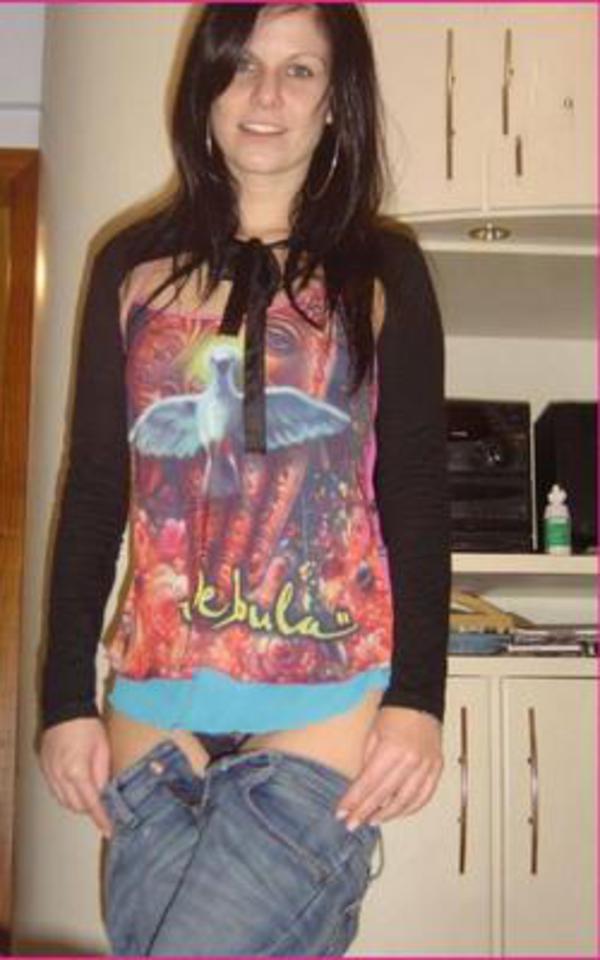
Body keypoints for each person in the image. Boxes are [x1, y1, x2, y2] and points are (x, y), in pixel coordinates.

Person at [39, 3, 451, 956]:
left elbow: (415, 494)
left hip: (326, 698)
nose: (266, 95)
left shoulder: (384, 268)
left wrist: (419, 700)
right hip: (152, 707)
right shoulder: (130, 266)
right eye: (241, 67)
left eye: (299, 71)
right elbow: (97, 488)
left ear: (335, 101)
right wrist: (64, 701)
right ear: (206, 87)